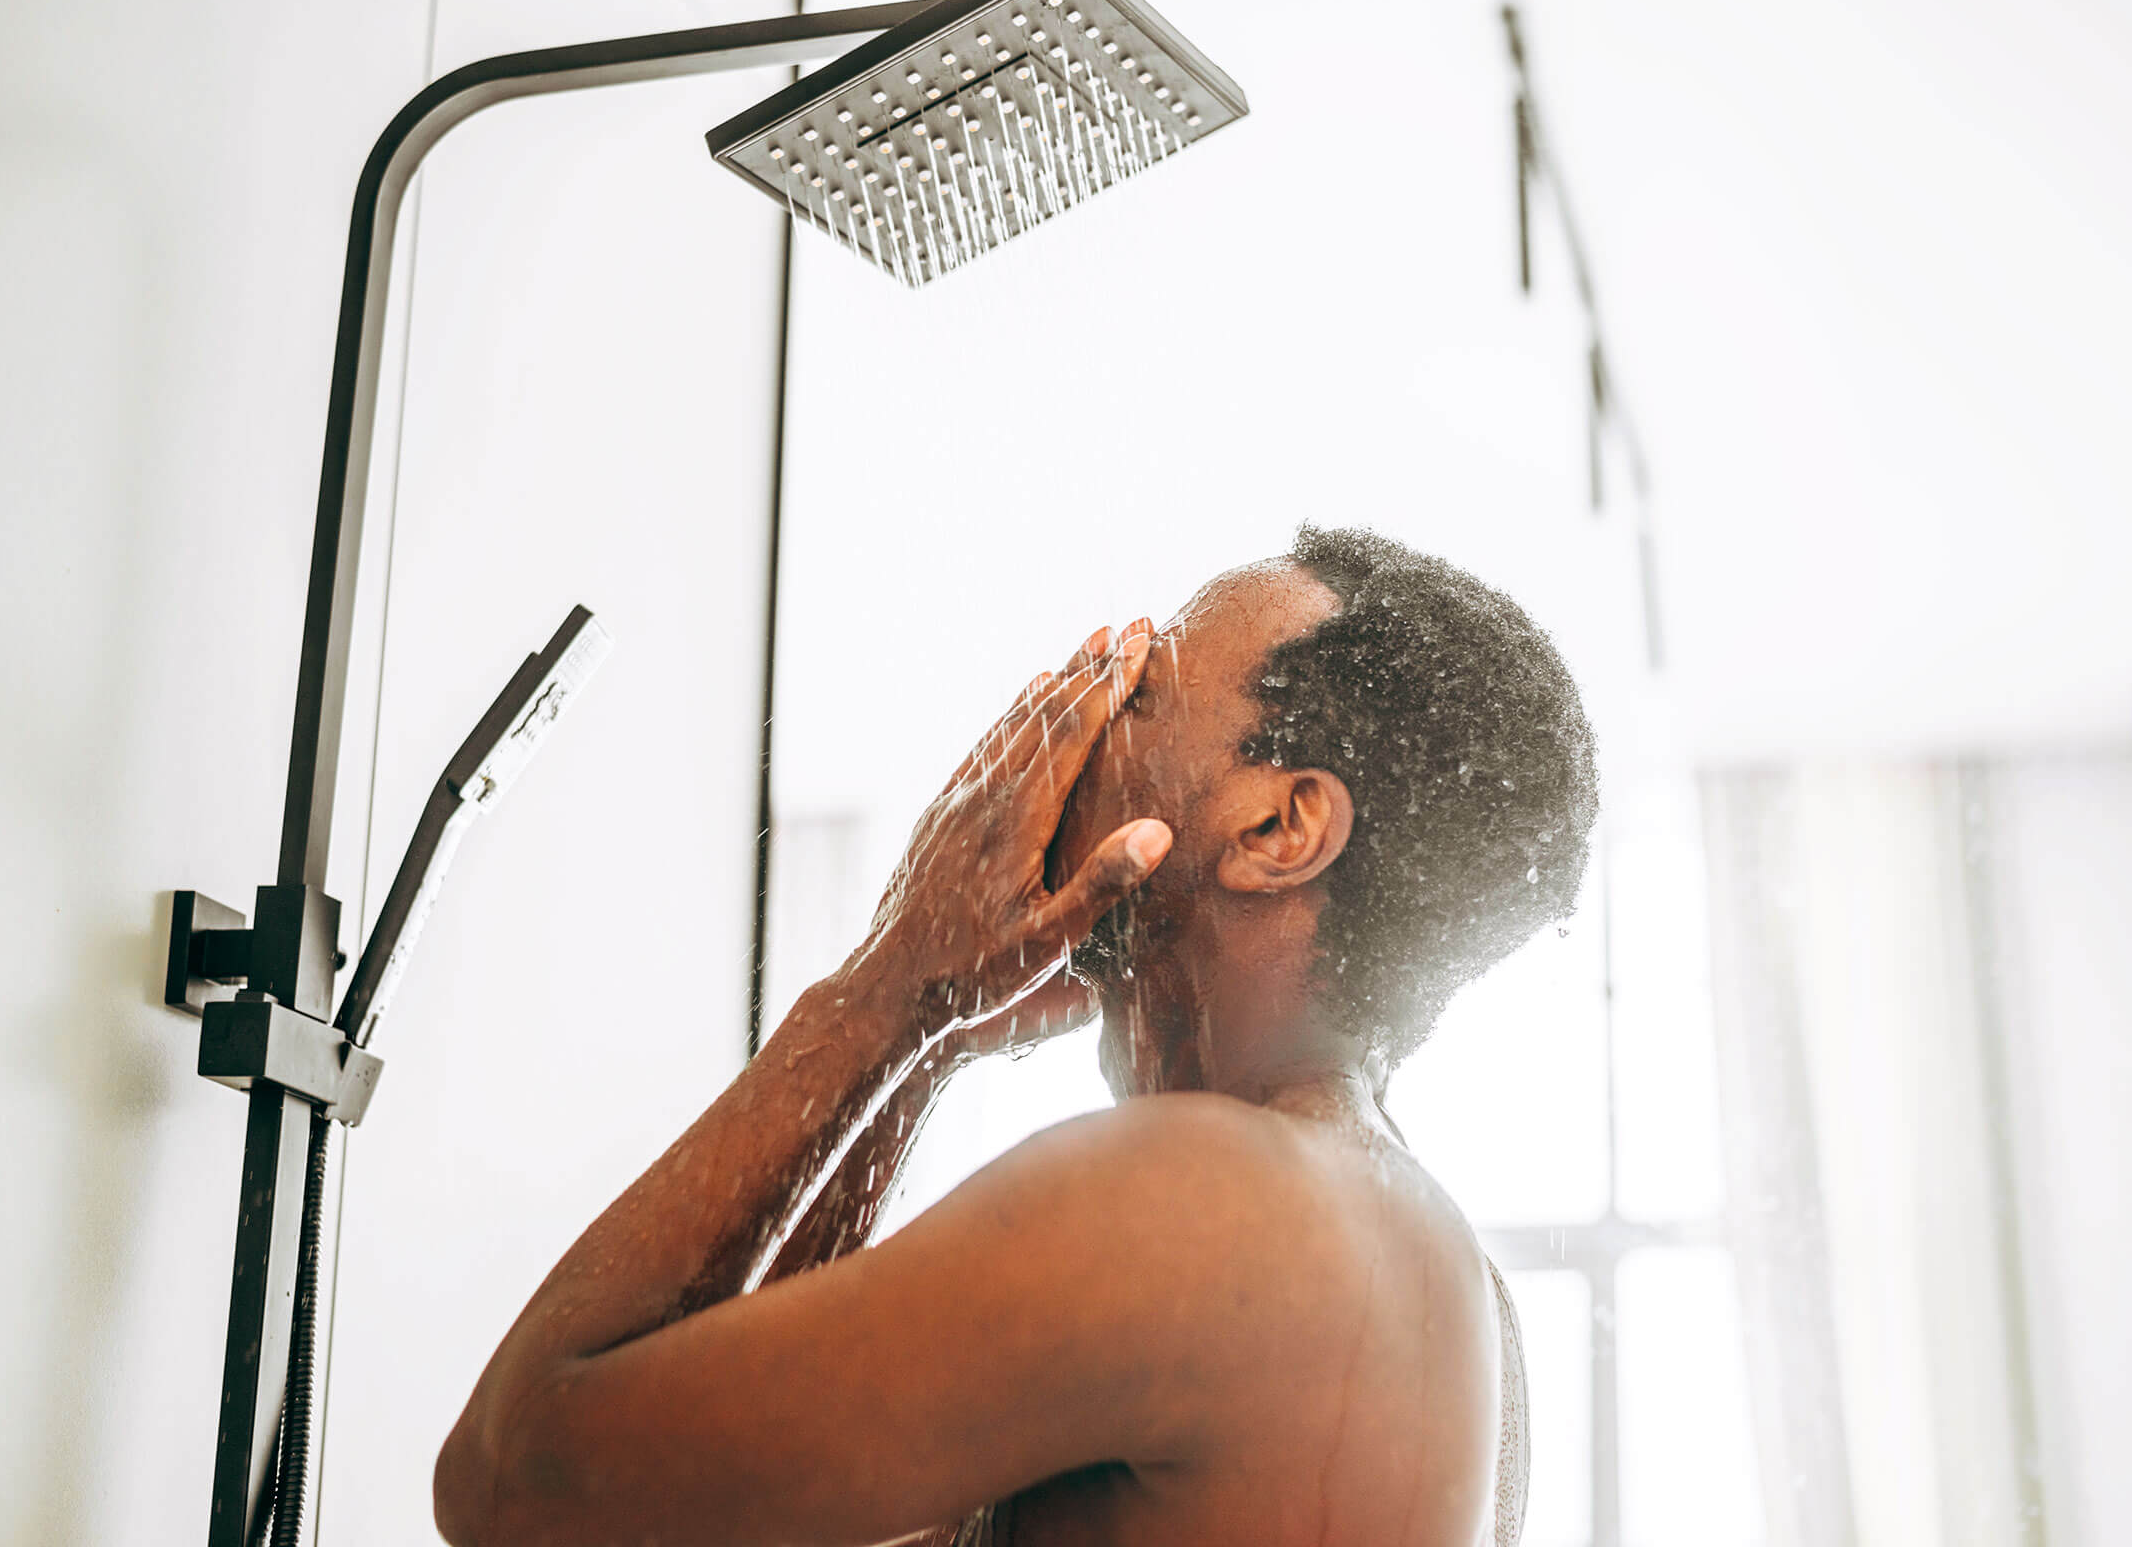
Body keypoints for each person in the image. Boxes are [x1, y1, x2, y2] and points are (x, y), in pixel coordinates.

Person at [433, 525, 1599, 1547]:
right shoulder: (1450, 1297)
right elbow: (728, 1514)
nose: (1070, 726)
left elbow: (512, 1481)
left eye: (1139, 690)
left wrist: (887, 980)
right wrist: (924, 1034)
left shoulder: (1213, 1205)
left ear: (1277, 827)